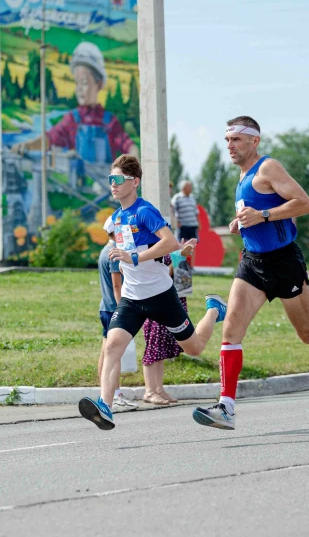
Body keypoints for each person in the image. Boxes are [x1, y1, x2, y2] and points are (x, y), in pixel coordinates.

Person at [192, 117, 309, 431]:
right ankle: (226, 408)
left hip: (284, 262)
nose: (229, 146)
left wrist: (262, 215)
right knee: (231, 330)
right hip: (252, 263)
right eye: (227, 140)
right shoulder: (243, 176)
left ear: (254, 141)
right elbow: (255, 212)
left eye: (235, 139)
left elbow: (304, 204)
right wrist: (241, 221)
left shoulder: (268, 168)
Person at [78, 154, 227, 430]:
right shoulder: (115, 219)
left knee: (193, 348)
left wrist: (133, 257)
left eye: (118, 180)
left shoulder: (145, 211)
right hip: (133, 299)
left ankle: (214, 310)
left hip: (160, 296)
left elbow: (168, 243)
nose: (112, 185)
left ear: (134, 182)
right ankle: (105, 406)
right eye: (110, 180)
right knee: (112, 346)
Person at [16, 42, 138, 164]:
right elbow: (50, 138)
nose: (79, 88)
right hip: (78, 181)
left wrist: (133, 157)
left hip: (105, 182)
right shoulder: (72, 120)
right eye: (77, 83)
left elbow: (129, 146)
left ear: (99, 84)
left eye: (84, 83)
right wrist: (28, 145)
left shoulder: (109, 122)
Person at [141, 239, 197, 405]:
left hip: (169, 303)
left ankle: (158, 389)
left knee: (161, 350)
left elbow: (182, 281)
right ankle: (149, 391)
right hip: (155, 304)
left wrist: (181, 255)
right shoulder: (149, 251)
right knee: (153, 348)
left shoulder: (166, 249)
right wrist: (179, 256)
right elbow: (162, 276)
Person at [97, 217, 137, 411]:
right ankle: (116, 394)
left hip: (104, 307)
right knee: (114, 353)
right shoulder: (113, 253)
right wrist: (123, 309)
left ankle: (107, 392)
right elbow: (116, 284)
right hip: (114, 308)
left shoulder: (104, 251)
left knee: (107, 351)